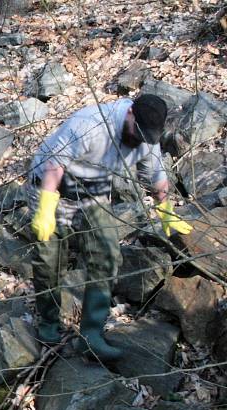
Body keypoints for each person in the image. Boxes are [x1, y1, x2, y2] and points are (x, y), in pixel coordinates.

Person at [28, 94, 193, 362]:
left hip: (94, 191)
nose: (140, 140)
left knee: (106, 255)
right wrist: (46, 209)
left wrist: (166, 212)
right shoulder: (91, 123)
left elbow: (156, 178)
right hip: (52, 187)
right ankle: (48, 324)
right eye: (137, 132)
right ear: (130, 114)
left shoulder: (146, 138)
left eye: (147, 137)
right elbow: (54, 164)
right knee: (49, 260)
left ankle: (91, 336)